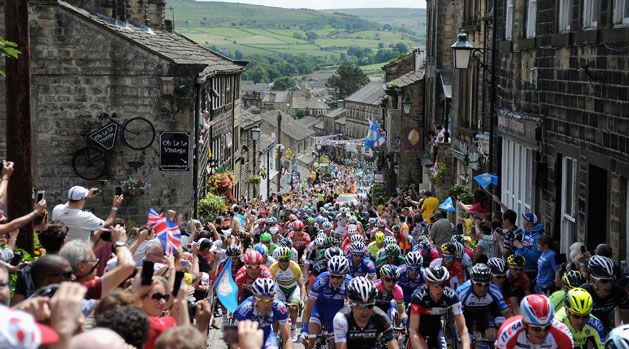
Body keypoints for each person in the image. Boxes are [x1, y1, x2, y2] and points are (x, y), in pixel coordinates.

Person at [59, 226, 135, 300]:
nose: (97, 265)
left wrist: (95, 242)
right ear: (82, 267)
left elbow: (84, 257)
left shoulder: (63, 284)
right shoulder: (84, 290)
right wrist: (120, 243)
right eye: (95, 262)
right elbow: (127, 266)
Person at [408, 266, 470, 349]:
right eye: (435, 286)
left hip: (435, 324)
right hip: (418, 325)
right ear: (428, 284)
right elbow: (413, 330)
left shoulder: (452, 296)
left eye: (442, 285)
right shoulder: (418, 297)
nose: (440, 289)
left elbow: (463, 329)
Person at [300, 256, 352, 349]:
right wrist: (304, 329)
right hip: (319, 308)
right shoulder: (320, 281)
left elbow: (352, 307)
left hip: (336, 312)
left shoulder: (350, 283)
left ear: (344, 276)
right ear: (329, 274)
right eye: (332, 276)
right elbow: (308, 309)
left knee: (333, 343)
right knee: (311, 341)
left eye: (339, 277)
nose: (335, 280)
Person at [333, 276, 399, 349]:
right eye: (360, 306)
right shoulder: (341, 318)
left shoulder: (381, 317)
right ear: (351, 303)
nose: (364, 311)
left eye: (369, 306)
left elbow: (393, 344)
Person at [456, 263, 511, 341]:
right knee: (466, 339)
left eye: (486, 285)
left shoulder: (495, 290)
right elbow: (457, 317)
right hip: (465, 314)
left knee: (492, 335)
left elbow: (506, 312)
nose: (482, 289)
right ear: (472, 282)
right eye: (479, 284)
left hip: (484, 313)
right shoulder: (462, 291)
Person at [495, 294, 573, 348]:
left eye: (547, 327)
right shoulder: (508, 332)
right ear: (525, 325)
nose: (543, 333)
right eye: (537, 329)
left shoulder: (563, 334)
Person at [235, 278, 293, 349]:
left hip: (267, 334)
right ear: (254, 298)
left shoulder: (279, 307)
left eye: (270, 300)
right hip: (249, 335)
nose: (266, 304)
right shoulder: (245, 309)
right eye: (261, 300)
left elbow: (287, 338)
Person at [51, 185, 123, 241]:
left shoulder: (57, 209)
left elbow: (70, 202)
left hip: (61, 252)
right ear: (82, 199)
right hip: (80, 255)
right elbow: (107, 224)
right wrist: (115, 207)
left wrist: (86, 196)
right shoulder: (84, 217)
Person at [581, 255, 629, 333]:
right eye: (604, 281)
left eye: (611, 280)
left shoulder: (619, 292)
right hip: (585, 329)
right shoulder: (583, 293)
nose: (608, 285)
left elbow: (626, 323)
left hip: (605, 327)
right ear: (592, 280)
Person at [269, 247, 306, 340]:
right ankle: (275, 334)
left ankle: (293, 328)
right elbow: (270, 285)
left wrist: (302, 300)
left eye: (286, 260)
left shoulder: (295, 267)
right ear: (278, 260)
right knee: (277, 311)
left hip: (293, 288)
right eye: (281, 260)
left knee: (293, 308)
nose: (283, 263)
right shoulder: (273, 267)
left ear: (289, 259)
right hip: (280, 289)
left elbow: (302, 286)